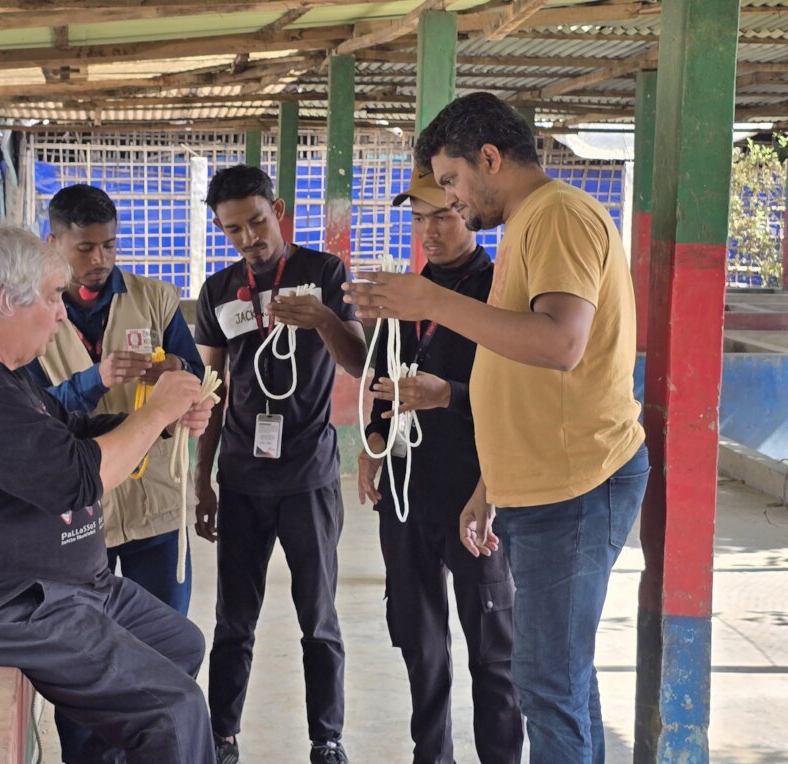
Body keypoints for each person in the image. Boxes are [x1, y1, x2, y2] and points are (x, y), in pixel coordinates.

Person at [343, 92, 648, 764]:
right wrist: (494, 486)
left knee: (544, 684)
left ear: (489, 158)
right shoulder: (529, 225)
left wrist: (432, 301)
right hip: (538, 481)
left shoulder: (557, 214)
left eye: (451, 182)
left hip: (577, 481)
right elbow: (518, 372)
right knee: (562, 678)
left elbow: (560, 344)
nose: (451, 201)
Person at [0, 225, 217, 764]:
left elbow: (71, 431)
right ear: (6, 300)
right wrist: (155, 413)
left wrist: (165, 423)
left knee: (180, 645)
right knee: (175, 710)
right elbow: (76, 481)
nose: (61, 313)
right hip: (0, 605)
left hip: (64, 587)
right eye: (52, 297)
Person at [23, 184, 206, 761]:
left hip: (156, 506)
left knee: (164, 653)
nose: (100, 258)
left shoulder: (156, 299)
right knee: (83, 666)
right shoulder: (33, 315)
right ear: (53, 243)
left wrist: (177, 380)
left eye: (109, 245)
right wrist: (95, 379)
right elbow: (33, 412)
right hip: (78, 521)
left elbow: (194, 378)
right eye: (84, 248)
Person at [193, 165, 366, 764]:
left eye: (258, 222)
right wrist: (203, 481)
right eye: (233, 229)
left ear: (279, 210)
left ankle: (327, 740)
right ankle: (222, 737)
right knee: (233, 621)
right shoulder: (218, 290)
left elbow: (358, 361)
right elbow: (212, 389)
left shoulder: (325, 273)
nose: (249, 238)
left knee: (318, 618)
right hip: (242, 478)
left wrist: (322, 319)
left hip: (308, 477)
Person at [358, 168, 523, 764]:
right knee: (420, 643)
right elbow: (384, 378)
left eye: (442, 216)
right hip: (407, 487)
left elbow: (520, 395)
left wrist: (447, 394)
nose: (429, 231)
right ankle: (431, 755)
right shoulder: (406, 293)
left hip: (476, 489)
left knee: (492, 651)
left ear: (468, 215)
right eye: (418, 219)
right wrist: (374, 439)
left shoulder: (500, 292)